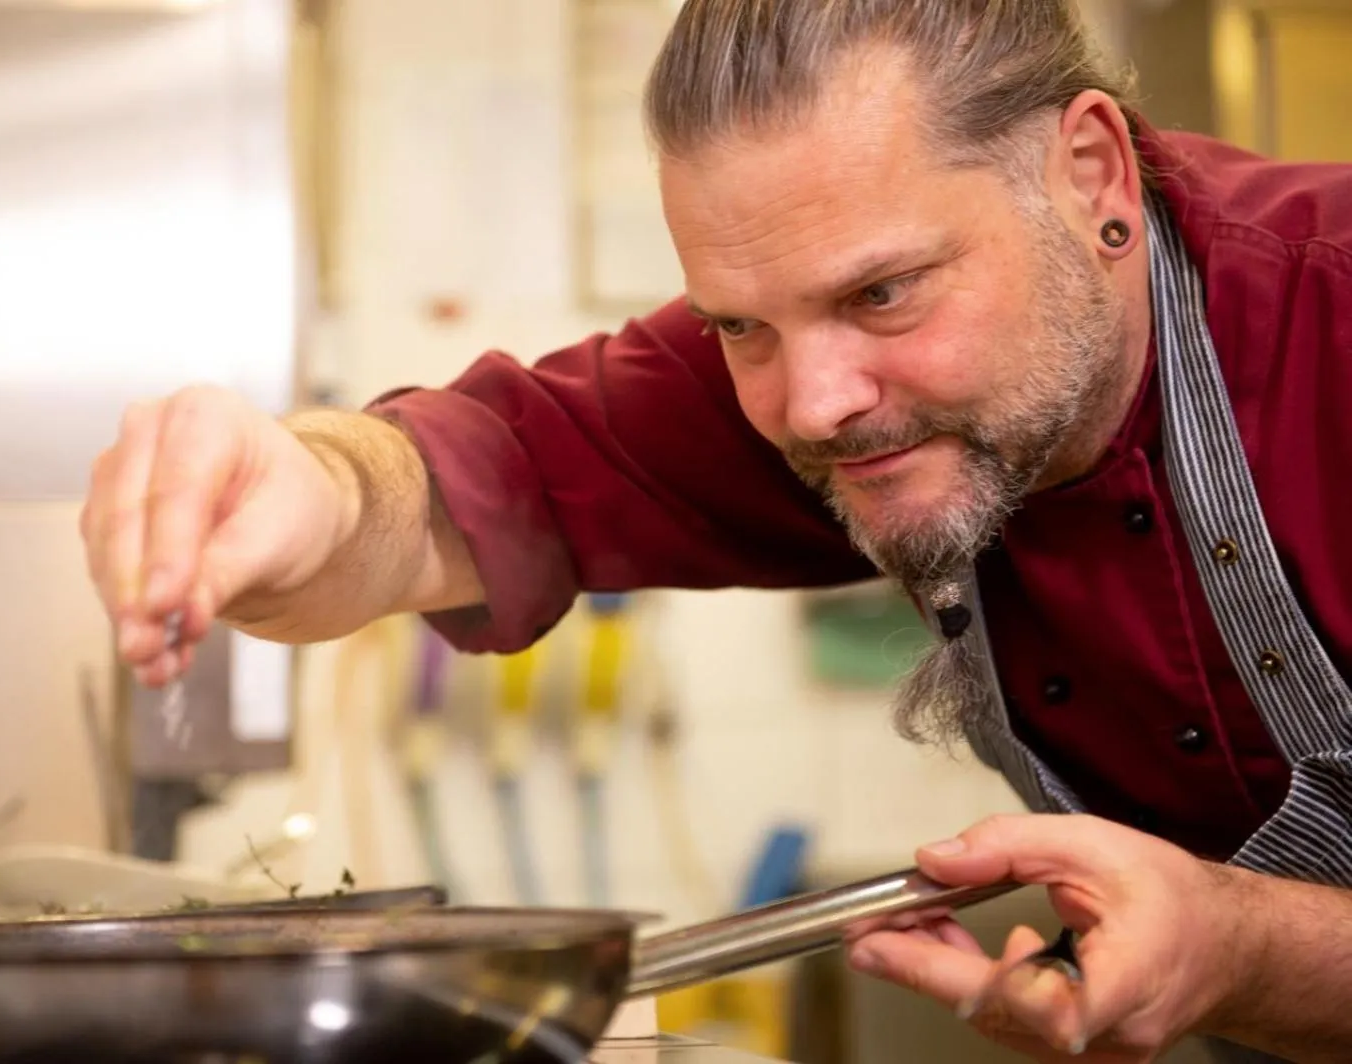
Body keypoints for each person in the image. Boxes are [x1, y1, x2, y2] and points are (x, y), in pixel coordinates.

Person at [79, 0, 1352, 1060]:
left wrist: (1241, 944)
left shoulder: (1331, 312)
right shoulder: (824, 367)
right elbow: (481, 470)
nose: (811, 404)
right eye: (742, 324)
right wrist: (321, 486)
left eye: (884, 292)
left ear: (1088, 175)